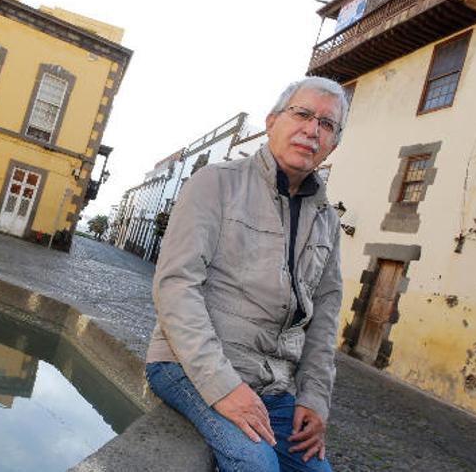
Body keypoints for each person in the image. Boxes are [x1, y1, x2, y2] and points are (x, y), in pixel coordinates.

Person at [145, 76, 347, 471]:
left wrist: (313, 399)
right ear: (272, 122)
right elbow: (175, 287)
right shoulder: (214, 184)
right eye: (302, 114)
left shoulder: (328, 221)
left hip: (272, 388)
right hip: (185, 365)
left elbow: (324, 318)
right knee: (256, 464)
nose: (312, 130)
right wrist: (223, 387)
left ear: (334, 144)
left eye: (327, 124)